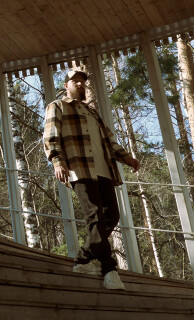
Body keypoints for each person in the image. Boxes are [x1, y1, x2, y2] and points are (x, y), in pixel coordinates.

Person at [43, 68, 140, 291]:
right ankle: (109, 269)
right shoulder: (57, 106)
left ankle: (84, 257)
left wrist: (127, 158)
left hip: (104, 170)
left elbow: (109, 141)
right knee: (94, 215)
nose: (79, 84)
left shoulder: (93, 113)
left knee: (111, 215)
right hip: (79, 168)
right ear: (65, 86)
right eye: (74, 81)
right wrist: (57, 161)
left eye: (82, 81)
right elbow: (50, 136)